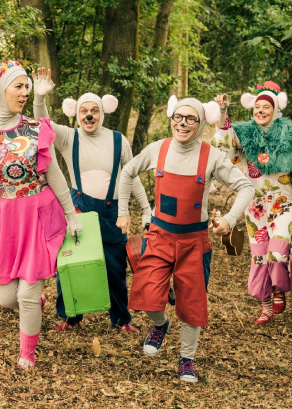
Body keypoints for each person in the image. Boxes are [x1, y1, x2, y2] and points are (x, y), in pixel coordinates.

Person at [0, 61, 83, 369]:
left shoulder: (35, 129)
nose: (24, 93)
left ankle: (27, 353)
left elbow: (55, 175)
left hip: (37, 214)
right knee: (6, 297)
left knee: (26, 294)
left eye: (27, 87)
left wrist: (72, 215)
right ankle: (34, 303)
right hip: (3, 218)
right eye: (18, 86)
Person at [117, 96, 254, 383]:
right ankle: (160, 325)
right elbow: (127, 171)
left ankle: (187, 359)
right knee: (147, 293)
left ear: (201, 123)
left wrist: (230, 219)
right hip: (159, 235)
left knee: (192, 304)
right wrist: (123, 212)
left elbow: (246, 186)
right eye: (178, 117)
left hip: (194, 241)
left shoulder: (212, 156)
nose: (182, 123)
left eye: (190, 118)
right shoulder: (158, 148)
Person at [32, 68, 151, 334]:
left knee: (115, 267)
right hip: (79, 209)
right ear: (76, 114)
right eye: (84, 111)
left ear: (102, 113)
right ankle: (69, 317)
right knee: (71, 264)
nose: (89, 115)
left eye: (94, 111)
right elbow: (42, 123)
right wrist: (40, 97)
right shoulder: (68, 137)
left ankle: (121, 319)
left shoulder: (118, 140)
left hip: (112, 213)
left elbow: (131, 177)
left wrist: (146, 210)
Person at [212, 81, 292, 324]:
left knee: (276, 254)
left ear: (275, 109)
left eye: (265, 107)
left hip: (283, 206)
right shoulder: (245, 136)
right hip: (255, 208)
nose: (260, 111)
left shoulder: (291, 138)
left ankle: (279, 288)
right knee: (259, 258)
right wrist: (223, 112)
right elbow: (225, 144)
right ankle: (266, 306)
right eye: (257, 107)